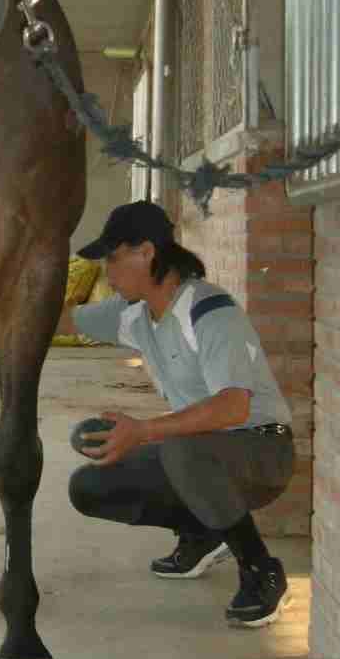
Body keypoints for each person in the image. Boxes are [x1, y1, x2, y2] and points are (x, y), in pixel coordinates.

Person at [58, 200, 294, 627]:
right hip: (200, 454)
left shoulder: (208, 310)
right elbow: (58, 321)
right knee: (90, 485)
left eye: (113, 259)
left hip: (262, 451)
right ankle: (202, 532)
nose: (107, 274)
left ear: (147, 252)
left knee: (182, 452)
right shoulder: (134, 313)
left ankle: (261, 570)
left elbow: (233, 405)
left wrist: (144, 430)